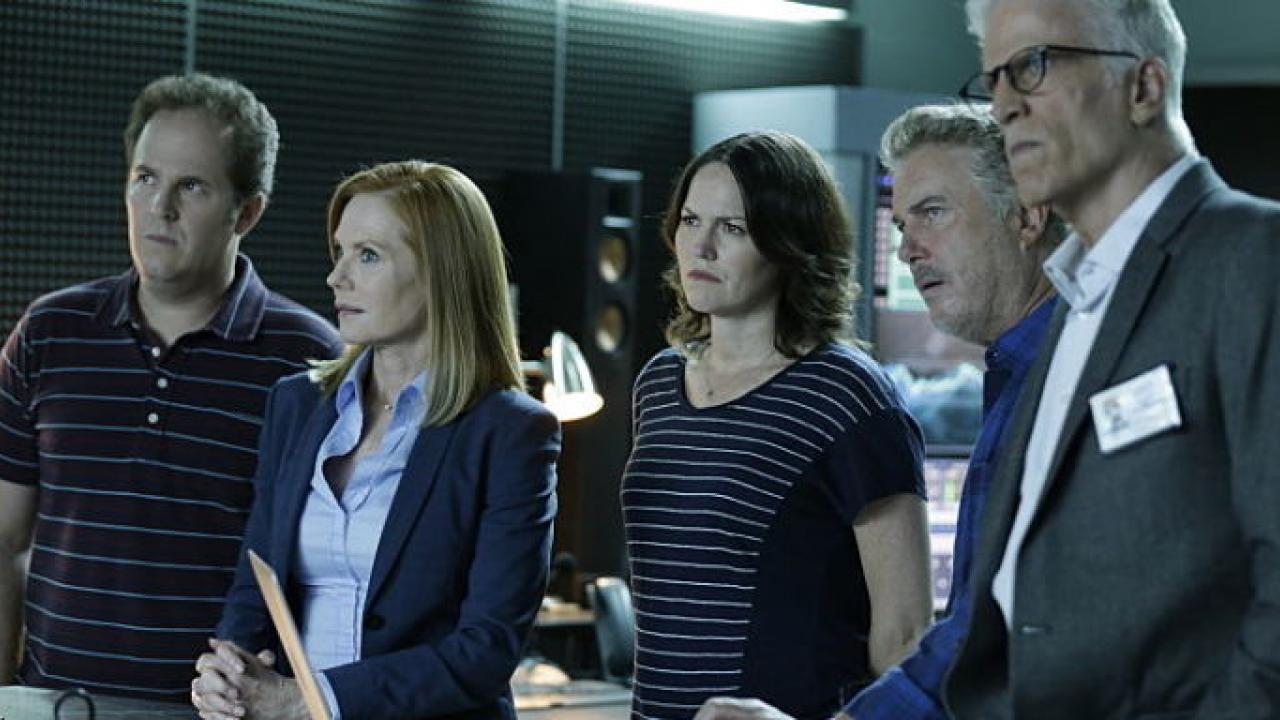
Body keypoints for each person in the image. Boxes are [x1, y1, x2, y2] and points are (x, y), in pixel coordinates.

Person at [945, 0, 1280, 717]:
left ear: (1144, 87)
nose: (1003, 106)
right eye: (993, 79)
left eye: (1032, 66)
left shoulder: (1255, 259)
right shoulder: (1078, 295)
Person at [696, 105, 1066, 720]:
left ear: (1028, 214)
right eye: (900, 224)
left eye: (932, 212)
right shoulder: (1017, 380)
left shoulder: (1069, 381)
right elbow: (977, 636)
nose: (906, 249)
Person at [0, 73, 342, 699]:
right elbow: (2, 543)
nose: (160, 207)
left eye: (191, 186)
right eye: (145, 177)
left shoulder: (311, 360)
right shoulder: (50, 332)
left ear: (248, 212)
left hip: (215, 713)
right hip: (53, 704)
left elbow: (330, 575)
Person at [190, 160, 560, 720]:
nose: (336, 277)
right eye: (339, 251)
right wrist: (228, 674)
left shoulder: (511, 431)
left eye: (368, 255)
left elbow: (485, 651)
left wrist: (307, 701)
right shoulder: (296, 404)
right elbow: (255, 586)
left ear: (442, 272)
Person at [621, 130, 932, 720]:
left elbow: (905, 638)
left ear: (791, 244)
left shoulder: (848, 395)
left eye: (733, 228)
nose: (701, 247)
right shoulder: (658, 384)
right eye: (690, 221)